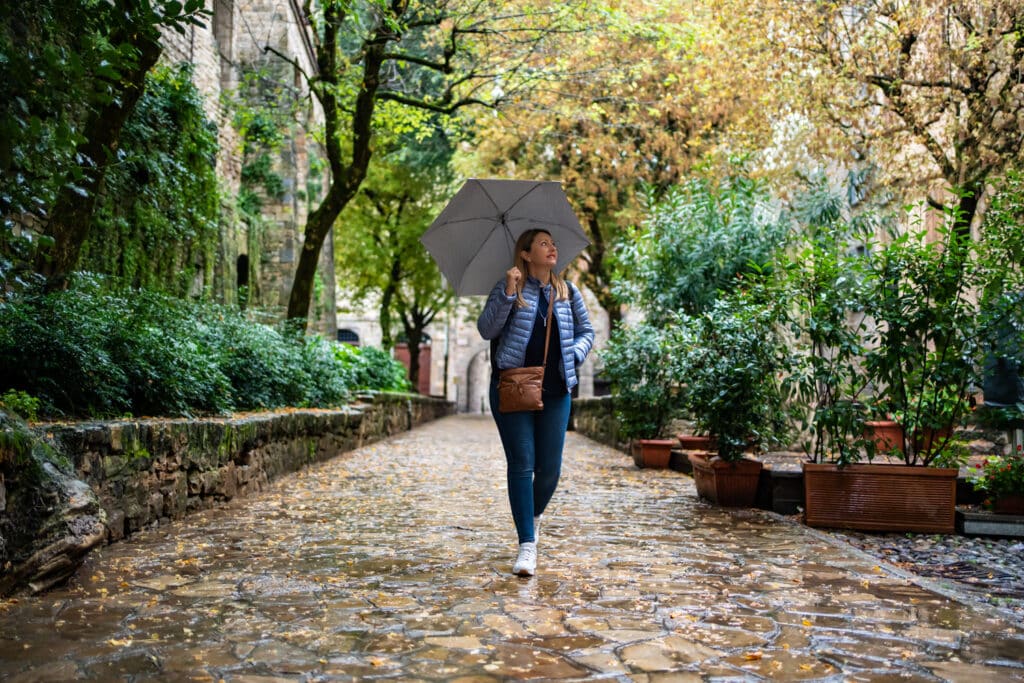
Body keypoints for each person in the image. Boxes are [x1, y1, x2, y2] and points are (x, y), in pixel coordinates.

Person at [476, 229, 594, 576]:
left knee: (550, 469)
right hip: (513, 388)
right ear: (526, 254)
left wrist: (574, 353)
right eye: (543, 243)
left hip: (557, 389)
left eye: (553, 243)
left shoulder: (567, 291)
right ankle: (527, 545)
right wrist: (509, 295)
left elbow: (588, 333)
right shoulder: (507, 287)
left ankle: (532, 515)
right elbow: (487, 330)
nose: (552, 247)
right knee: (522, 464)